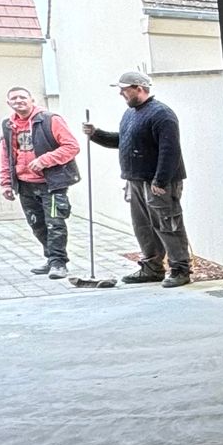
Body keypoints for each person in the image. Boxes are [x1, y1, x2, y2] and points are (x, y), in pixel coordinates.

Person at [84, 70, 192, 287]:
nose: (121, 94)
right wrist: (96, 134)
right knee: (143, 226)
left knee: (167, 224)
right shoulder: (131, 114)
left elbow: (169, 150)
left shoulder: (162, 114)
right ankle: (152, 268)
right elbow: (123, 141)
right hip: (136, 180)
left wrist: (160, 181)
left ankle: (180, 269)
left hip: (158, 182)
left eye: (124, 90)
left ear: (139, 88)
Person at [0, 85, 82, 278]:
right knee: (37, 224)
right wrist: (6, 182)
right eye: (14, 98)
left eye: (22, 97)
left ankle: (58, 263)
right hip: (25, 185)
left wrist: (44, 160)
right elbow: (6, 156)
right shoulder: (8, 125)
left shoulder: (50, 120)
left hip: (52, 185)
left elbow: (71, 146)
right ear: (8, 103)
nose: (18, 101)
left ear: (32, 100)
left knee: (55, 223)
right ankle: (50, 257)